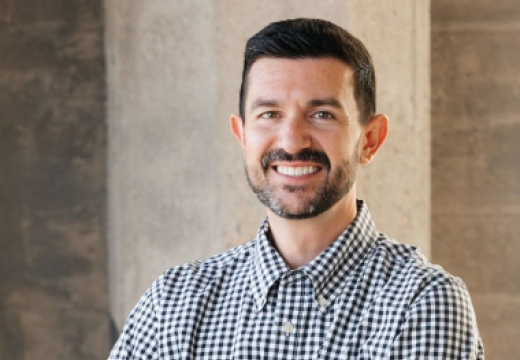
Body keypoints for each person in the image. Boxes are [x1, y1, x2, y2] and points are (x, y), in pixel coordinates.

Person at [109, 18, 484, 359]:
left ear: (369, 140)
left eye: (322, 115)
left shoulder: (424, 302)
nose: (290, 141)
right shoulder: (172, 305)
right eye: (269, 114)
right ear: (242, 135)